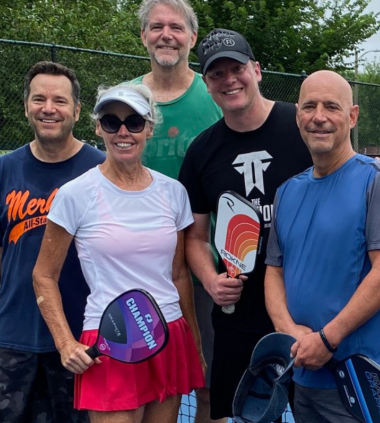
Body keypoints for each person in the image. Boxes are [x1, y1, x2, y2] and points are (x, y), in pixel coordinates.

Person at [31, 83, 203, 422]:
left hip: (168, 334)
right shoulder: (75, 194)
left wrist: (194, 340)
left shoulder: (174, 193)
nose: (123, 132)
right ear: (98, 127)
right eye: (112, 121)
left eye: (134, 122)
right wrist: (66, 343)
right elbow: (43, 275)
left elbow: (179, 274)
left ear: (149, 128)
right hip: (112, 341)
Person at [262, 70, 380, 423]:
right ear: (298, 115)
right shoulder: (287, 192)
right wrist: (289, 331)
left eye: (331, 106)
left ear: (352, 116)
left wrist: (327, 341)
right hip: (303, 375)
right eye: (309, 106)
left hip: (362, 383)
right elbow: (274, 271)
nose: (319, 117)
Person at [179, 28, 314, 420]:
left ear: (256, 70)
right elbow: (195, 238)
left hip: (308, 306)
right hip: (240, 314)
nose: (228, 80)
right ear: (206, 85)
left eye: (236, 68)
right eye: (216, 74)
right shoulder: (202, 151)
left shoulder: (301, 124)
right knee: (237, 415)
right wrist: (210, 279)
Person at [0, 61, 103, 423]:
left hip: (81, 340)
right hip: (13, 339)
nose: (48, 108)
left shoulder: (103, 170)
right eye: (39, 99)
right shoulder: (0, 171)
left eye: (59, 101)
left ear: (76, 110)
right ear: (26, 106)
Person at [130, 2, 224, 421]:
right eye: (156, 27)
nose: (166, 34)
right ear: (144, 36)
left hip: (208, 267)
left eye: (176, 27)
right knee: (148, 387)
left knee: (210, 384)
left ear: (191, 37)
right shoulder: (125, 99)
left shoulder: (217, 94)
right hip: (136, 270)